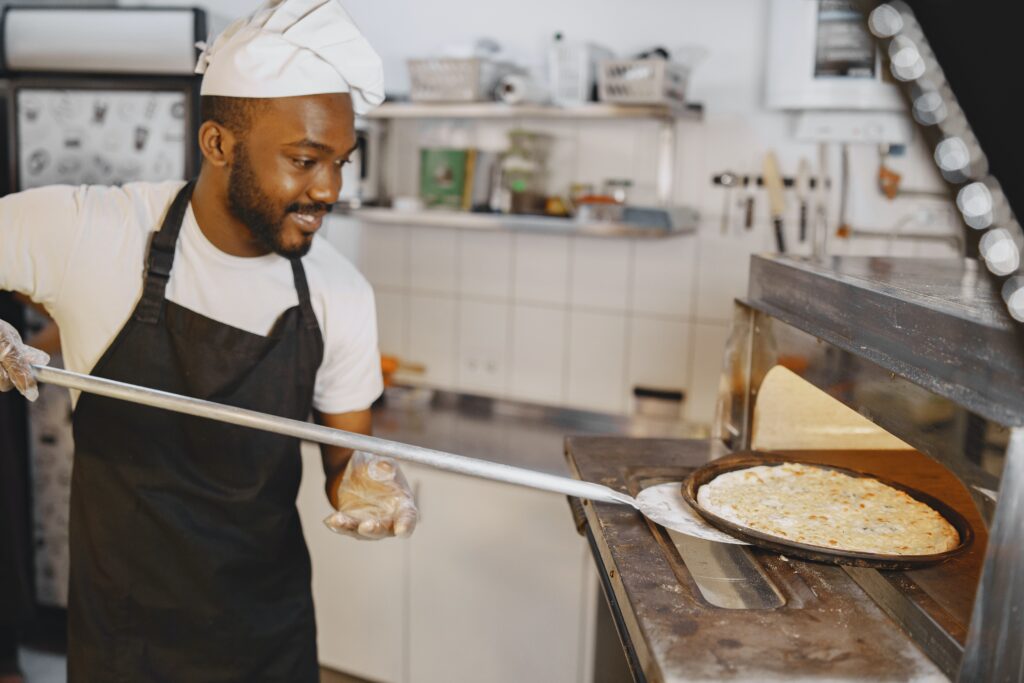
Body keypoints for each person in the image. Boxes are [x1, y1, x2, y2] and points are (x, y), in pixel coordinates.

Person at [0, 0, 418, 679]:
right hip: (123, 644)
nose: (331, 187)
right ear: (219, 144)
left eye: (341, 160)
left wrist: (369, 485)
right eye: (305, 159)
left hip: (267, 642)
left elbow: (346, 465)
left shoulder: (341, 294)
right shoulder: (92, 233)